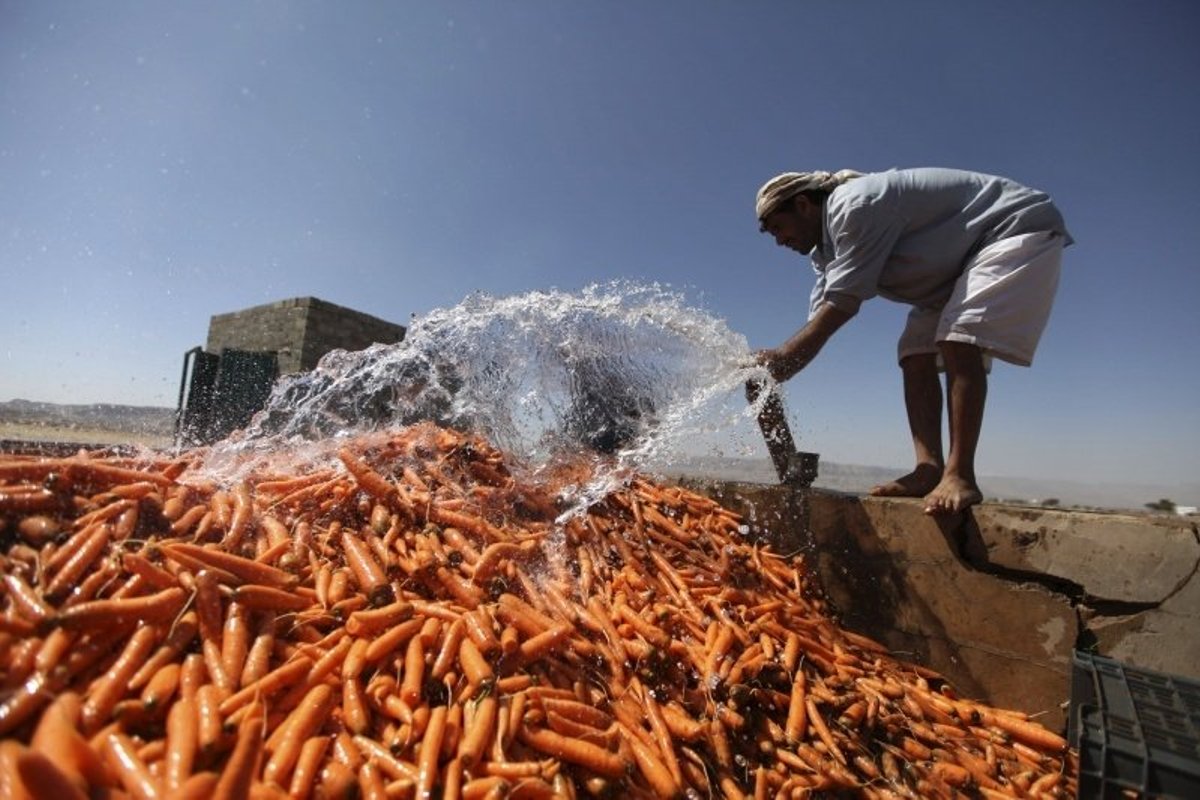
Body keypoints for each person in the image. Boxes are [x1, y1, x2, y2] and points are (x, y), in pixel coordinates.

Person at [752, 167, 1071, 514]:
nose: (780, 241)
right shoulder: (824, 253)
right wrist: (773, 370)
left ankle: (960, 474)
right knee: (914, 355)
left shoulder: (855, 204)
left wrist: (785, 356)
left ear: (802, 205)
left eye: (778, 229)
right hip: (953, 270)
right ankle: (928, 470)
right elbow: (819, 318)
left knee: (959, 341)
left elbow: (843, 303)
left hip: (1007, 229)